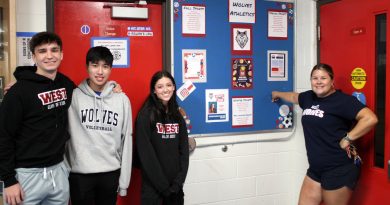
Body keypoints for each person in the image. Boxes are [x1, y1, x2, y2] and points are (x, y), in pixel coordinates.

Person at [271, 63, 378, 205]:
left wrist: (348, 138)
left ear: (332, 81)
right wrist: (277, 94)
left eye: (323, 78)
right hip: (316, 169)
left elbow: (370, 118)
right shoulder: (308, 97)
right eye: (315, 78)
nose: (319, 82)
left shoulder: (343, 101)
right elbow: (293, 97)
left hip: (339, 169)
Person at [0, 32, 75, 205]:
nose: (49, 55)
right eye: (42, 51)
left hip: (58, 172)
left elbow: (87, 91)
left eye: (54, 50)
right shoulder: (18, 92)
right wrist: (9, 180)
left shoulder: (66, 84)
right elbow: (3, 136)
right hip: (26, 177)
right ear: (34, 56)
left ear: (61, 54)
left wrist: (113, 86)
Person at [65, 46, 132, 205]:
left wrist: (124, 183)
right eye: (95, 65)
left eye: (105, 66)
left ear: (111, 69)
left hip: (110, 173)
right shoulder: (73, 97)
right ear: (87, 67)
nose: (100, 71)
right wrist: (21, 85)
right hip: (80, 175)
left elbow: (127, 141)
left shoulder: (122, 100)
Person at [136, 71, 189, 205]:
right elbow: (146, 156)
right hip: (154, 190)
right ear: (154, 90)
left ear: (174, 87)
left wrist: (178, 183)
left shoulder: (177, 115)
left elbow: (184, 151)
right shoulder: (145, 115)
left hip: (175, 189)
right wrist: (164, 187)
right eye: (160, 86)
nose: (165, 90)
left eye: (168, 85)